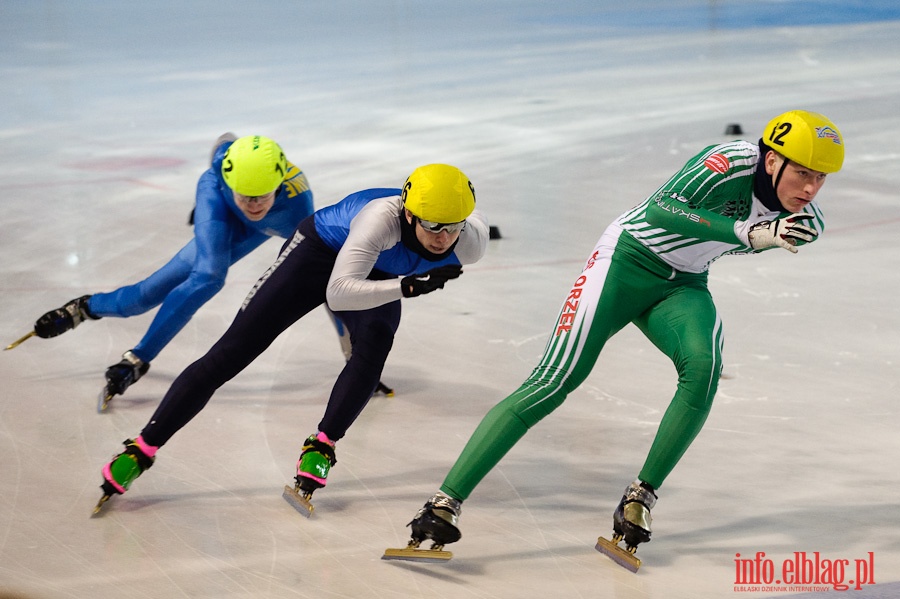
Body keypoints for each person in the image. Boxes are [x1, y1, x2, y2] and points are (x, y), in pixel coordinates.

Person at [396, 110, 844, 563]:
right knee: (555, 381)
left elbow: (758, 235)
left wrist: (755, 234)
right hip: (626, 260)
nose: (809, 189)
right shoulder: (728, 161)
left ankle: (640, 496)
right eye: (803, 173)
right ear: (772, 162)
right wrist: (744, 231)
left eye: (820, 178)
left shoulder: (806, 221)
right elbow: (661, 209)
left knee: (704, 370)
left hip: (683, 284)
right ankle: (444, 502)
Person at [94, 163, 489, 513]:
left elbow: (395, 270)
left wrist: (401, 283)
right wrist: (406, 287)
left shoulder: (471, 243)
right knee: (233, 352)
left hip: (377, 271)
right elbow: (338, 294)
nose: (442, 238)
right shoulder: (380, 220)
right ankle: (141, 449)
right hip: (319, 253)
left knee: (373, 348)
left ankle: (322, 445)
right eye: (432, 225)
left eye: (453, 226)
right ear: (408, 211)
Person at [22, 134, 387, 407]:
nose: (254, 204)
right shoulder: (217, 180)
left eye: (262, 195)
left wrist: (355, 356)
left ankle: (131, 354)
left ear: (280, 184)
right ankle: (91, 312)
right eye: (245, 195)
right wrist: (224, 184)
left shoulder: (298, 204)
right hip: (217, 211)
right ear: (230, 182)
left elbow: (328, 283)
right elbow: (222, 146)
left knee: (292, 279)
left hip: (262, 229)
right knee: (162, 291)